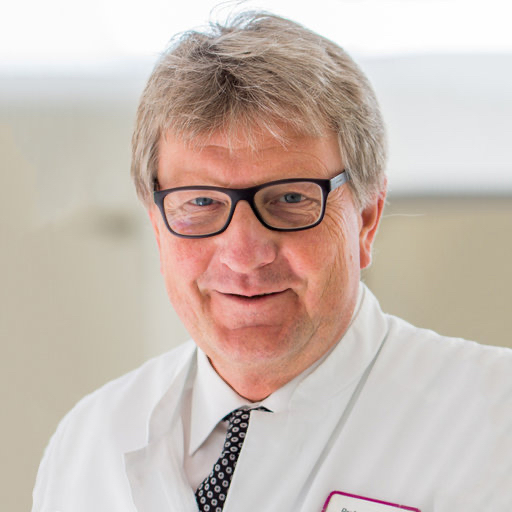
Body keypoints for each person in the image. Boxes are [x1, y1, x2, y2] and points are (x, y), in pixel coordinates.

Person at [32, 11, 511, 512]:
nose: (243, 255)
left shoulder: (497, 420)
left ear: (367, 220)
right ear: (157, 227)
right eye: (201, 202)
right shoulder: (88, 443)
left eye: (289, 198)